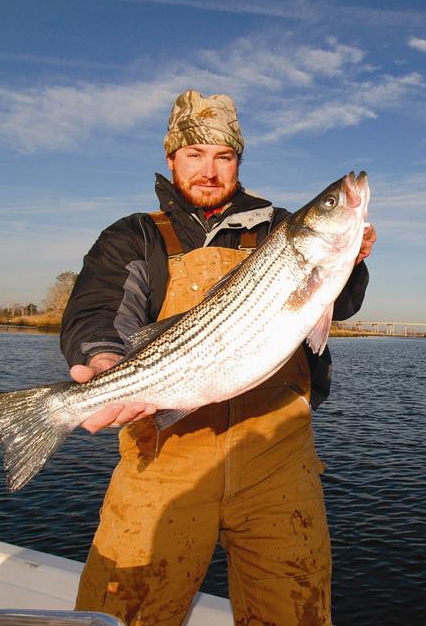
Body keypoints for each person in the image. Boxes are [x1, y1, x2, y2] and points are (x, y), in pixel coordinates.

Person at [59, 90, 375, 626]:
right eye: (194, 155)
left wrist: (350, 261)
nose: (209, 170)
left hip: (277, 457)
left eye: (223, 157)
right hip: (163, 459)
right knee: (125, 613)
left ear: (238, 162)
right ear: (171, 159)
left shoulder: (279, 226)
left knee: (295, 613)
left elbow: (337, 305)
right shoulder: (134, 236)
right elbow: (99, 311)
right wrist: (103, 362)